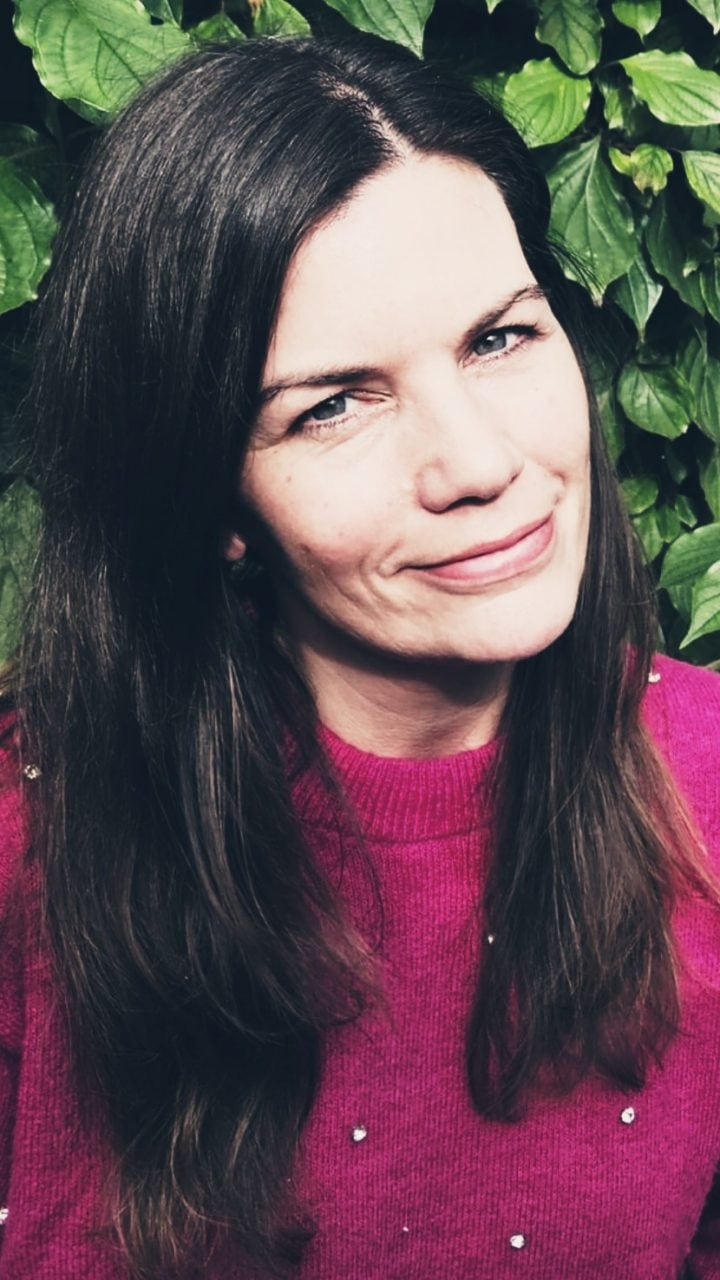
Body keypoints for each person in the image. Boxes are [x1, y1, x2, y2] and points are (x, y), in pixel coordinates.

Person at [0, 30, 718, 1280]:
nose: (480, 462)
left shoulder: (707, 777)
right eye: (333, 404)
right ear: (211, 500)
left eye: (501, 338)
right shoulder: (34, 828)